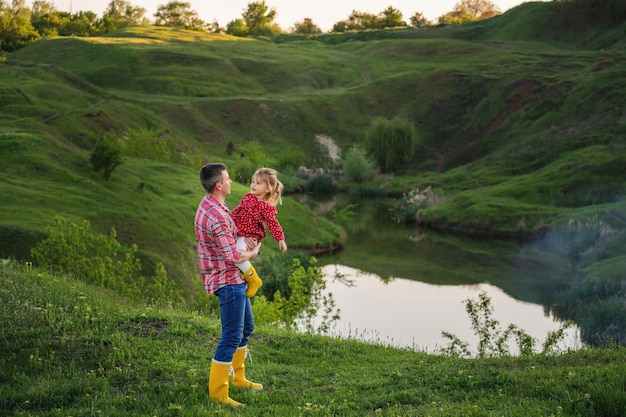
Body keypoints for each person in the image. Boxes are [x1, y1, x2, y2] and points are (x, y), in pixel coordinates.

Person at [194, 162, 263, 407]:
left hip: (229, 276)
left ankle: (239, 377)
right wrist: (253, 253)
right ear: (219, 185)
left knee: (246, 327)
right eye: (228, 178)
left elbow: (228, 240)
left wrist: (243, 237)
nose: (232, 181)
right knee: (231, 335)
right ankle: (218, 393)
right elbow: (232, 257)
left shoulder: (211, 204)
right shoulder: (217, 217)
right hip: (227, 279)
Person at [231, 167, 287, 298]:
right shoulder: (248, 197)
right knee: (231, 253)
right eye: (253, 182)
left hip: (249, 236)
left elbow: (273, 223)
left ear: (267, 189)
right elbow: (238, 210)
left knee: (237, 255)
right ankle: (242, 273)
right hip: (239, 231)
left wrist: (280, 239)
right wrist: (228, 218)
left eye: (258, 183)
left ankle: (254, 280)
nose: (253, 185)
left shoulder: (266, 207)